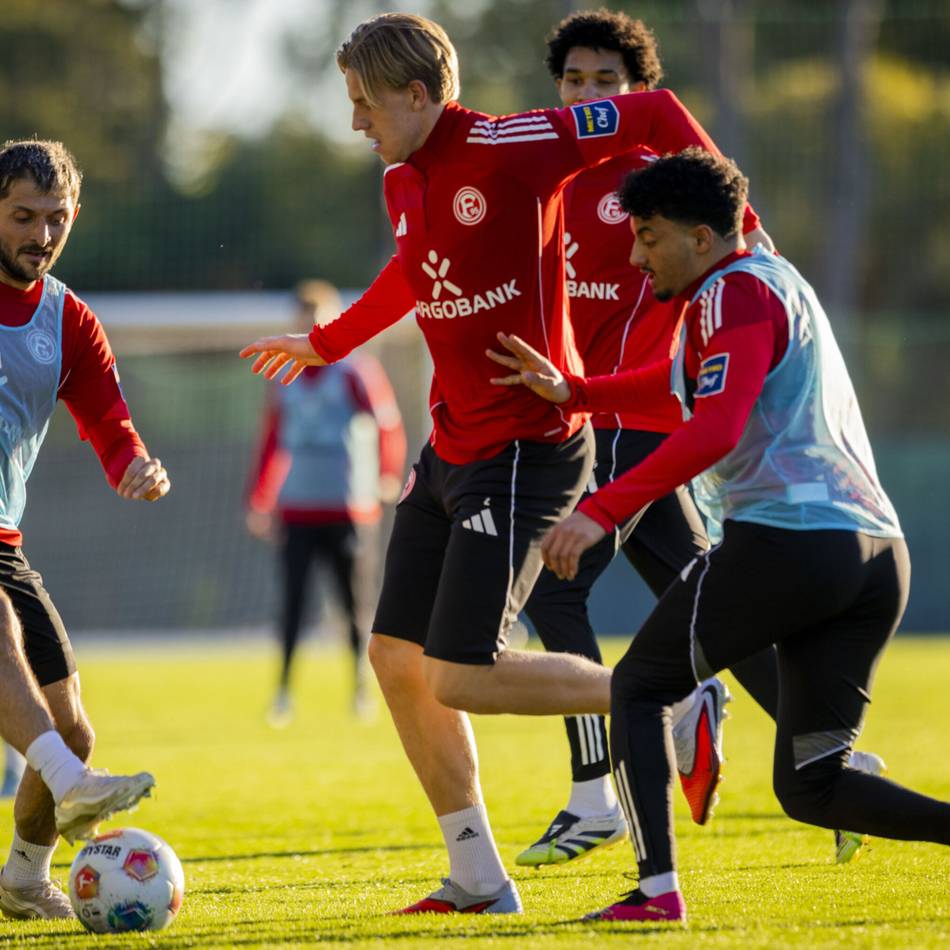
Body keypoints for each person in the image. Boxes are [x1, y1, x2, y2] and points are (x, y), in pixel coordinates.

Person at [240, 13, 786, 915]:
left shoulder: (517, 145)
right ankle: (478, 877)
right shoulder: (401, 179)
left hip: (527, 452)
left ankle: (663, 692)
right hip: (450, 449)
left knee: (461, 671)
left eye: (365, 104)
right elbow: (414, 275)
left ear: (419, 96)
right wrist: (326, 343)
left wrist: (745, 232)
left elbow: (655, 111)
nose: (354, 123)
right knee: (393, 657)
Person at [488, 148, 950, 923]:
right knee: (812, 783)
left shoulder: (725, 294)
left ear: (702, 238)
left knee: (637, 687)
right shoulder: (776, 281)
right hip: (874, 555)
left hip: (789, 540)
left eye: (649, 237)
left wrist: (600, 508)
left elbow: (714, 426)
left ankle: (654, 894)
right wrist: (578, 390)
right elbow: (681, 389)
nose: (636, 257)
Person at [516, 7, 780, 868]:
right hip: (604, 416)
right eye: (573, 82)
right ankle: (825, 748)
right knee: (711, 595)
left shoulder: (652, 185)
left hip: (626, 421)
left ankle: (595, 795)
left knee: (549, 594)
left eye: (607, 84)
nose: (588, 98)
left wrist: (756, 240)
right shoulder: (550, 177)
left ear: (637, 94)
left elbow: (718, 204)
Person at [0, 139, 167, 920]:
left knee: (72, 725)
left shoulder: (69, 318)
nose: (39, 235)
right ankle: (72, 789)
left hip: (5, 539)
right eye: (22, 218)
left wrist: (135, 464)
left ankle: (25, 876)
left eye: (54, 220)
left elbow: (108, 421)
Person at [245, 279, 406, 723]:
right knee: (293, 604)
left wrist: (388, 475)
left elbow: (387, 426)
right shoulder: (284, 376)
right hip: (297, 508)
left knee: (354, 603)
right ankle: (282, 693)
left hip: (349, 506)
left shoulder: (356, 371)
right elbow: (271, 440)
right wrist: (260, 499)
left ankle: (360, 689)